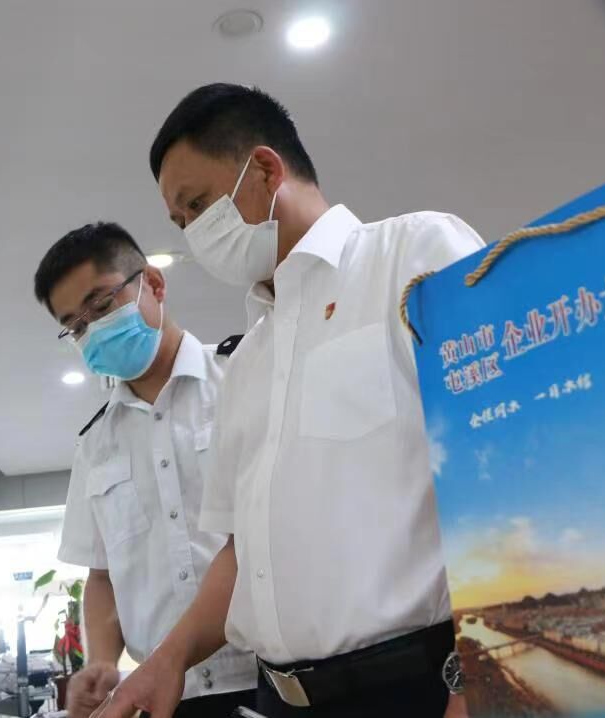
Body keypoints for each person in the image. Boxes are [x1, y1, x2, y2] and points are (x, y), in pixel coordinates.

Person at [94, 84, 486, 718]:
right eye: (180, 222)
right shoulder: (247, 361)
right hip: (279, 698)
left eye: (197, 205)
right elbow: (240, 552)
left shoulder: (413, 256)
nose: (194, 232)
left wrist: (481, 682)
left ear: (265, 169)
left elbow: (503, 460)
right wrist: (167, 660)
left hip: (416, 688)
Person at [33, 222, 257, 718]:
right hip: (169, 699)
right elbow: (102, 575)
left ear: (152, 284)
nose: (92, 330)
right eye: (76, 326)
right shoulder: (96, 443)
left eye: (100, 305)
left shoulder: (242, 376)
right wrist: (101, 661)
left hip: (268, 678)